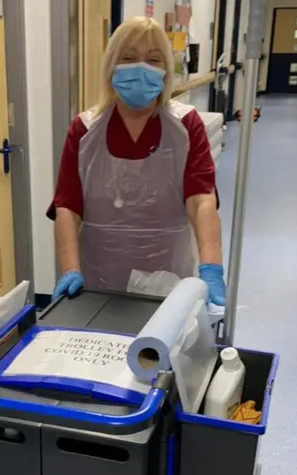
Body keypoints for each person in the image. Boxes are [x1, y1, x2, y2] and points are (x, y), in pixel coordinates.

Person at [47, 16, 226, 306]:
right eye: (129, 57)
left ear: (166, 71)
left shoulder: (186, 126)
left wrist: (212, 267)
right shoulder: (84, 130)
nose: (141, 69)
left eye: (153, 60)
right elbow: (67, 205)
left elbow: (201, 200)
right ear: (111, 67)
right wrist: (69, 269)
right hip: (98, 278)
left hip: (167, 276)